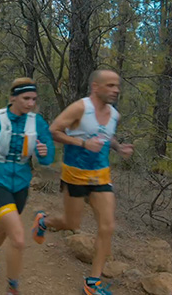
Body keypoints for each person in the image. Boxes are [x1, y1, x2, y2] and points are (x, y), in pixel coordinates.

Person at [31, 70, 134, 295]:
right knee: (71, 223)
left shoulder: (114, 115)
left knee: (107, 227)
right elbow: (54, 131)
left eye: (117, 85)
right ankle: (43, 221)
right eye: (110, 85)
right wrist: (82, 144)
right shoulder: (80, 108)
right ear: (95, 87)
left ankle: (92, 283)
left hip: (101, 175)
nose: (116, 89)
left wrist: (118, 147)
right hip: (75, 173)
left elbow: (107, 136)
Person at [0, 78, 55, 295]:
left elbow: (48, 156)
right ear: (13, 98)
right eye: (26, 98)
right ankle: (13, 288)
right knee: (17, 237)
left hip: (21, 186)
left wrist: (45, 155)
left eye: (34, 99)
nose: (30, 104)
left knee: (5, 227)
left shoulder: (38, 122)